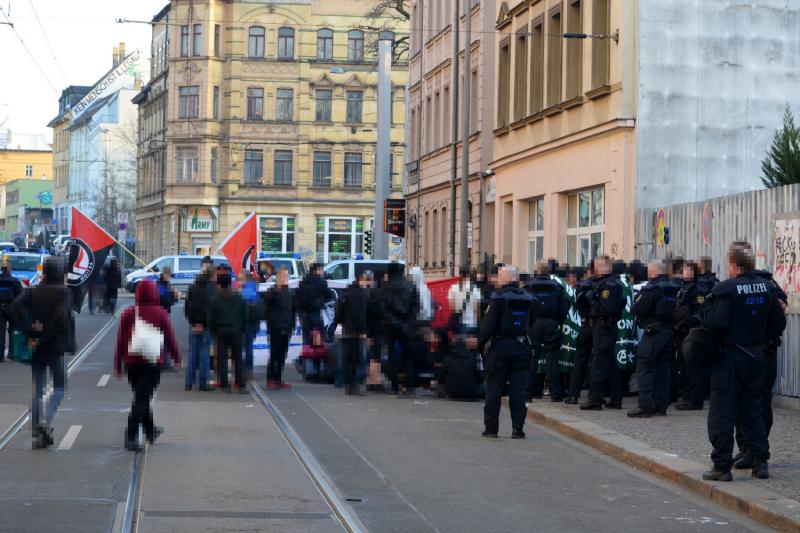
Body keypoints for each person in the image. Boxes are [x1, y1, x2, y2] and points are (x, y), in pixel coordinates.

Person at [703, 243, 786, 481]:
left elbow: (716, 323)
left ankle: (721, 466)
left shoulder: (727, 289)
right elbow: (778, 323)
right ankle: (760, 462)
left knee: (722, 411)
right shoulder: (767, 287)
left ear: (734, 265)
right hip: (757, 356)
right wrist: (759, 338)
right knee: (753, 410)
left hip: (730, 356)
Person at [15, 258, 74, 448]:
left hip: (36, 346)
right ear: (60, 272)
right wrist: (45, 336)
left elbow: (15, 306)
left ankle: (35, 434)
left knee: (37, 389)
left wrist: (30, 329)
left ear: (45, 272)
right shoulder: (64, 292)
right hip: (55, 346)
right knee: (60, 385)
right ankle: (45, 422)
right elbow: (61, 319)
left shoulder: (33, 291)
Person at [732, 267, 788, 471]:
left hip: (760, 351)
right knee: (746, 403)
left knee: (759, 403)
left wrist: (760, 339)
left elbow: (780, 315)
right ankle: (747, 448)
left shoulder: (767, 285)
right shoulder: (760, 285)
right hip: (760, 350)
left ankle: (757, 450)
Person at [114, 280, 181, 451]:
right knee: (143, 398)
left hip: (132, 363)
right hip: (152, 362)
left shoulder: (128, 313)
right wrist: (176, 357)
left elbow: (121, 341)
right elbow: (170, 337)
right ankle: (130, 434)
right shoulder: (160, 313)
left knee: (141, 396)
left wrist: (117, 365)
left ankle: (151, 430)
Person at [478, 266, 536, 439]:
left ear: (504, 279)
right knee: (518, 390)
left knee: (494, 388)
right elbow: (532, 321)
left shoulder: (498, 298)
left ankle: (491, 428)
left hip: (500, 347)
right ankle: (518, 428)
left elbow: (488, 326)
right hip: (520, 346)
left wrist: (480, 344)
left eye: (499, 277)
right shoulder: (529, 298)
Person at [628, 260, 679, 418]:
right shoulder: (672, 286)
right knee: (663, 369)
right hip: (669, 331)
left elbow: (637, 308)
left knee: (645, 367)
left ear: (655, 272)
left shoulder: (652, 288)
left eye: (649, 270)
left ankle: (645, 406)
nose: (648, 273)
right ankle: (661, 405)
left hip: (653, 332)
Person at [581, 255, 626, 411]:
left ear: (607, 267)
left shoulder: (610, 285)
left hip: (604, 326)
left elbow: (608, 309)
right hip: (602, 327)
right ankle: (615, 398)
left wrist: (593, 299)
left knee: (598, 365)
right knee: (610, 365)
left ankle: (595, 399)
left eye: (598, 266)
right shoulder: (603, 283)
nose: (595, 269)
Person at [526, 261, 571, 402]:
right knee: (552, 359)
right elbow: (566, 305)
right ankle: (556, 394)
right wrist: (558, 321)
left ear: (537, 271)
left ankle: (528, 393)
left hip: (535, 324)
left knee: (532, 358)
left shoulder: (530, 286)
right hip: (551, 323)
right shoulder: (557, 287)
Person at [674, 261, 709, 410]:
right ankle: (687, 395)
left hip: (692, 332)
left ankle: (695, 399)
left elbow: (700, 313)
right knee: (683, 366)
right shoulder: (682, 287)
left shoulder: (699, 289)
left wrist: (685, 321)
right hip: (680, 332)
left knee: (693, 367)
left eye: (689, 270)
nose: (686, 273)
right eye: (684, 270)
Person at [381, 262, 418, 396]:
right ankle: (409, 386)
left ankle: (394, 386)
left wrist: (394, 321)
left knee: (392, 356)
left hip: (391, 326)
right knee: (408, 356)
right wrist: (408, 322)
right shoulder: (410, 286)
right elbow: (415, 307)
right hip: (407, 325)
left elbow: (384, 309)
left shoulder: (385, 287)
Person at [208, 271, 247, 393]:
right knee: (238, 359)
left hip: (221, 331)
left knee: (222, 359)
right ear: (231, 283)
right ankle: (240, 385)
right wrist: (242, 330)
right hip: (236, 331)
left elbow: (211, 318)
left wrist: (214, 331)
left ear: (219, 284)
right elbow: (245, 315)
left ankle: (224, 385)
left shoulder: (215, 299)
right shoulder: (238, 298)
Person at [565, 263, 595, 404]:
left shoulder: (581, 288)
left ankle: (573, 395)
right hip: (599, 326)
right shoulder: (600, 285)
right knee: (601, 361)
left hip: (585, 325)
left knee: (580, 360)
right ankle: (599, 395)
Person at [336, 272, 368, 395]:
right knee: (356, 359)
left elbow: (340, 313)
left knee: (347, 359)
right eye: (366, 280)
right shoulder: (359, 295)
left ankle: (348, 385)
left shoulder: (347, 293)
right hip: (355, 332)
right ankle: (354, 386)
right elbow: (359, 315)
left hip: (346, 330)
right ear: (360, 280)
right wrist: (363, 330)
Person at [264, 268, 296, 390]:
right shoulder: (272, 291)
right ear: (278, 277)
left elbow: (293, 310)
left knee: (283, 354)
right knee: (274, 354)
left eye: (286, 276)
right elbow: (266, 306)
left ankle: (278, 378)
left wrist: (292, 325)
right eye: (282, 276)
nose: (285, 278)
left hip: (287, 327)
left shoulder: (290, 292)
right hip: (275, 327)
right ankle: (271, 378)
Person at [184, 270, 213, 391]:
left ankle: (189, 382)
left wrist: (192, 321)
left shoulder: (191, 288)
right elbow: (210, 309)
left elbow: (187, 307)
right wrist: (206, 322)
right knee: (204, 353)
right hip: (205, 325)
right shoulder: (210, 290)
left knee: (192, 353)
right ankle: (202, 382)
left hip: (193, 324)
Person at [297, 263, 328, 346]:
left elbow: (298, 296)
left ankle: (307, 356)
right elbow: (327, 295)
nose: (323, 272)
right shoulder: (322, 281)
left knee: (306, 339)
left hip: (305, 314)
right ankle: (316, 357)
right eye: (322, 270)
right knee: (317, 339)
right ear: (317, 270)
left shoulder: (304, 281)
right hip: (317, 313)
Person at [240, 270, 261, 384]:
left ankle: (246, 370)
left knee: (245, 347)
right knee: (248, 347)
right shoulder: (253, 287)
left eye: (240, 278)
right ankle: (248, 370)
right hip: (253, 322)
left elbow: (244, 303)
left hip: (247, 322)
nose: (238, 280)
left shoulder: (247, 289)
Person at [0, 257, 23, 362]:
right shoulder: (14, 281)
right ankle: (12, 354)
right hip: (12, 308)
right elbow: (21, 296)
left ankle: (0, 355)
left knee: (0, 332)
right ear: (9, 270)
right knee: (14, 331)